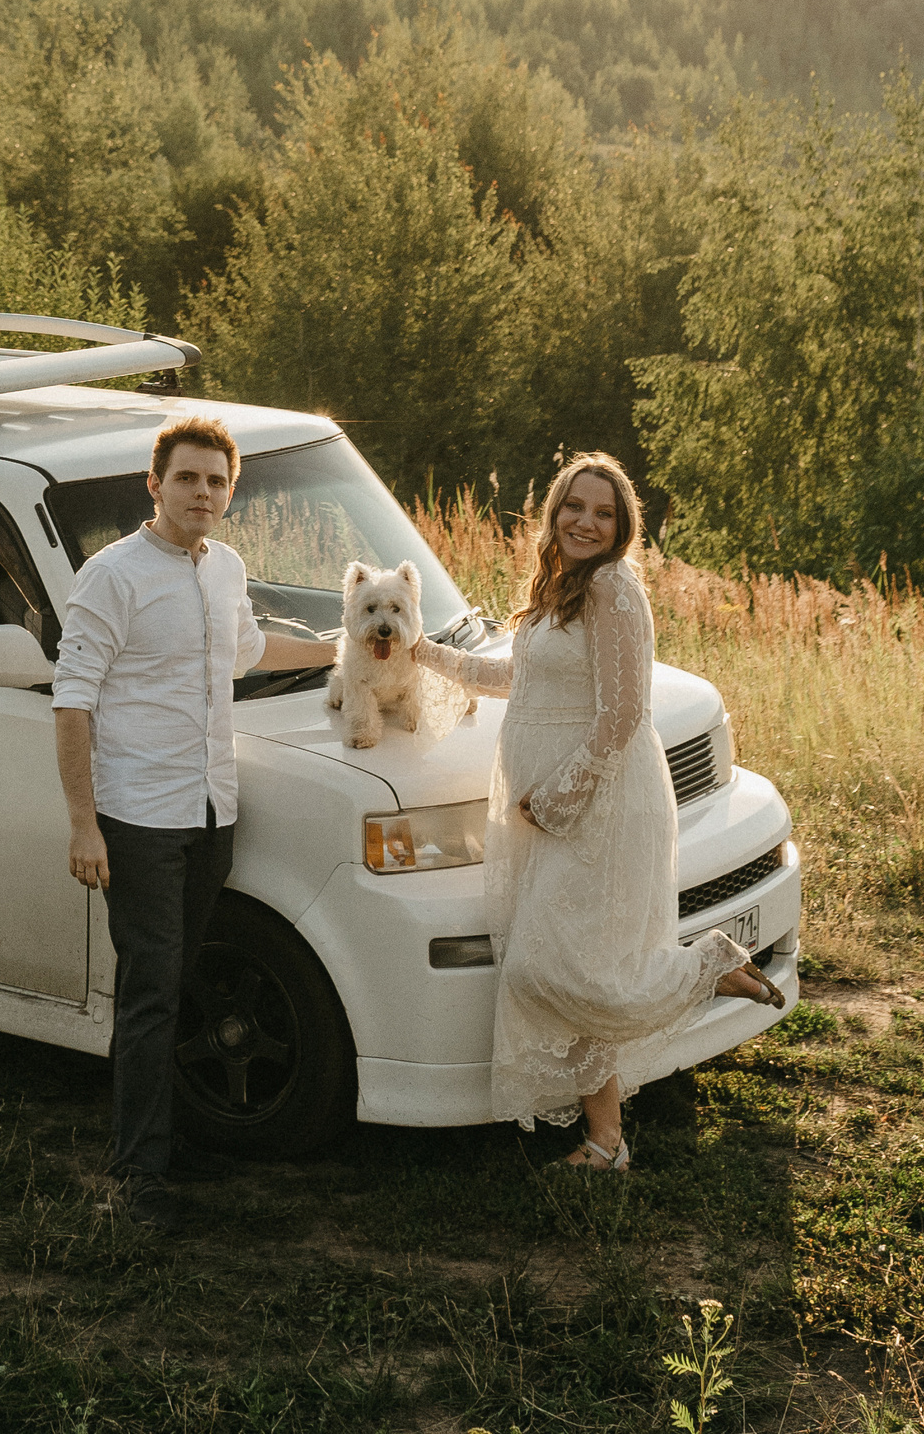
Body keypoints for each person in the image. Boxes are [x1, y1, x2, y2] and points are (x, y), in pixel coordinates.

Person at [412, 452, 787, 1172]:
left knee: (545, 969)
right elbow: (517, 677)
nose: (585, 520)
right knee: (577, 965)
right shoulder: (561, 585)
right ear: (554, 512)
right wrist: (427, 653)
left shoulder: (615, 587)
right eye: (573, 506)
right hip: (549, 810)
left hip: (600, 804)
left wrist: (559, 798)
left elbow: (624, 713)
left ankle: (708, 964)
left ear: (621, 527)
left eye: (602, 512)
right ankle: (605, 1141)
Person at [50, 416, 338, 1231]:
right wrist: (84, 824)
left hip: (213, 809)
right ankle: (137, 1175)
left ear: (230, 491)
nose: (202, 492)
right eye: (187, 478)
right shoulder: (113, 576)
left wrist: (344, 648)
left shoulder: (227, 570)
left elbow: (245, 651)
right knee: (149, 992)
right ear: (155, 483)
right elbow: (72, 701)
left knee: (178, 984)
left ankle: (166, 1137)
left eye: (216, 480)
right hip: (138, 816)